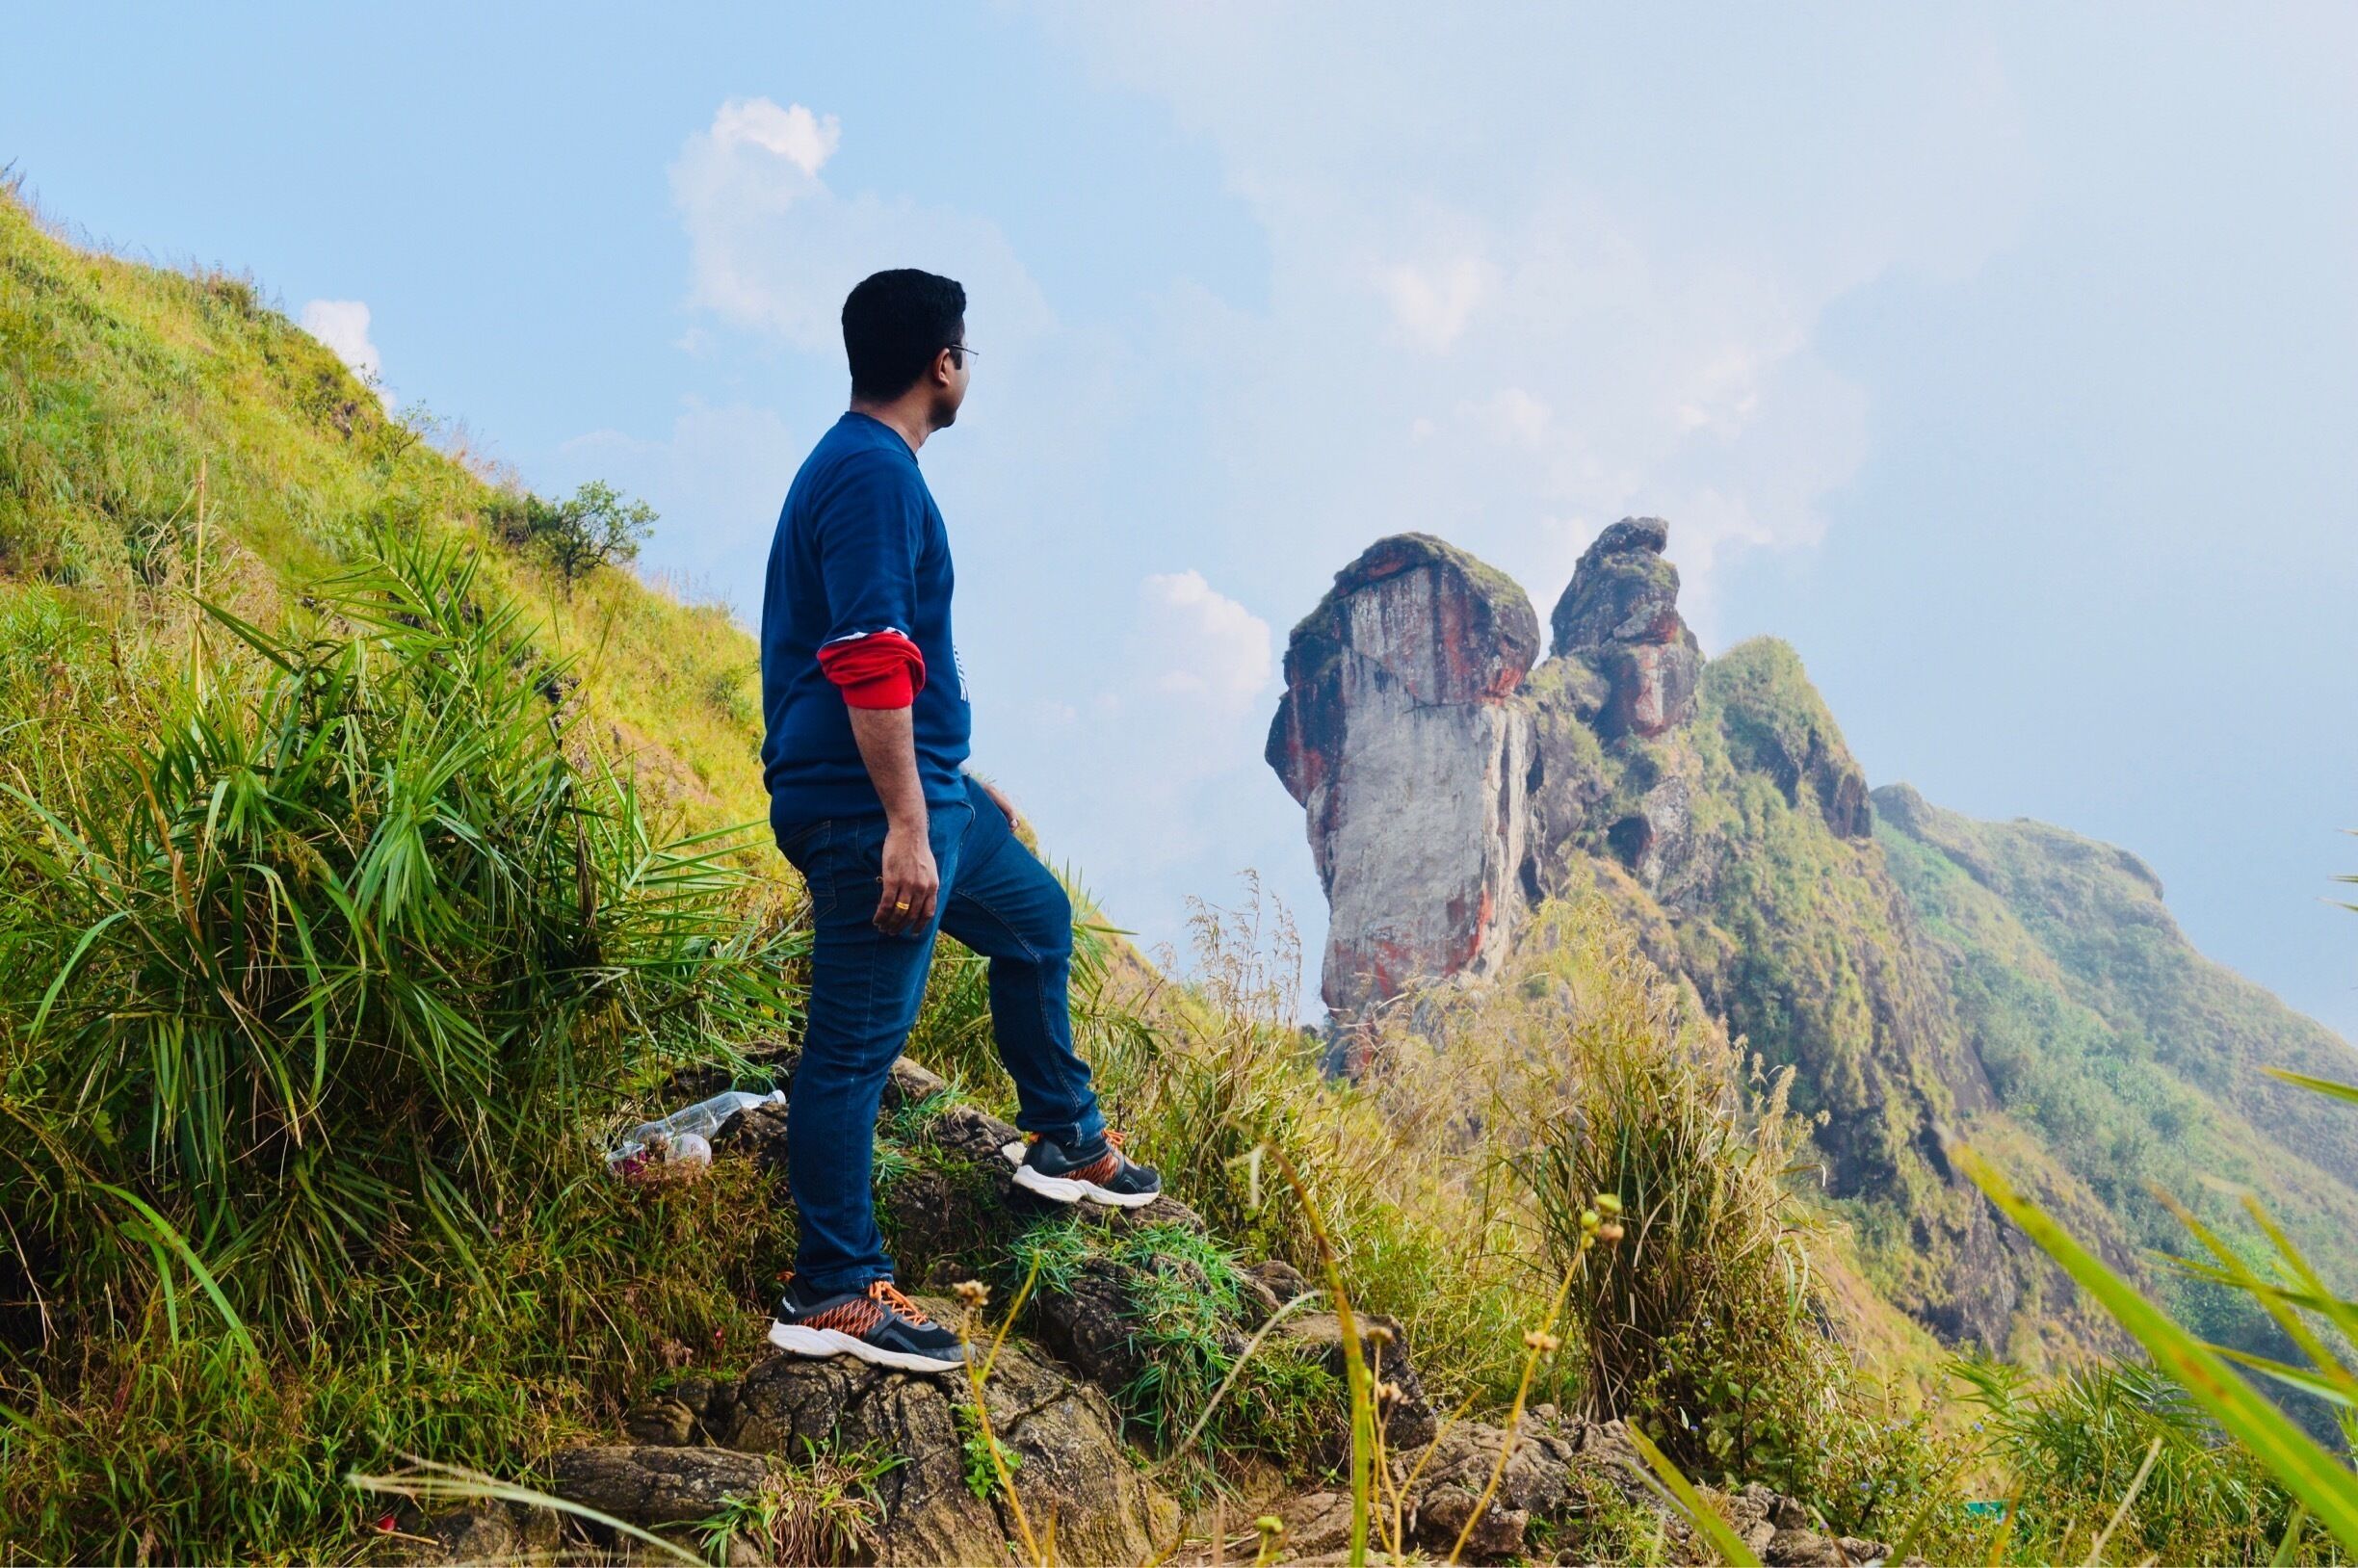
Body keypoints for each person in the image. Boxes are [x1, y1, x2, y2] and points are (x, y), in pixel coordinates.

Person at [757, 269, 1161, 1374]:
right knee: (853, 1049)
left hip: (927, 791)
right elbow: (868, 656)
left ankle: (1065, 1139)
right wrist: (903, 820)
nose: (967, 367)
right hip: (865, 809)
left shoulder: (868, 467)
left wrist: (954, 782)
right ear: (944, 364)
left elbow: (888, 663)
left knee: (1035, 921)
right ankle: (832, 1288)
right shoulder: (871, 475)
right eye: (966, 351)